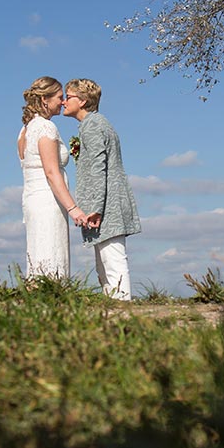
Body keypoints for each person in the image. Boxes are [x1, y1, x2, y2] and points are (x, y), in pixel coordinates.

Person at [64, 78, 140, 300]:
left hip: (107, 205)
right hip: (105, 202)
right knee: (104, 265)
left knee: (112, 260)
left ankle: (123, 309)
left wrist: (96, 208)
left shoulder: (94, 126)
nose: (64, 102)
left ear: (84, 101)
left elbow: (99, 167)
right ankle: (112, 311)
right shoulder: (93, 124)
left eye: (69, 97)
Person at [19, 76, 88, 281]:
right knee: (51, 252)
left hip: (32, 199)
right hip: (48, 200)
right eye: (59, 97)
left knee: (39, 252)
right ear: (44, 100)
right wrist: (73, 208)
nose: (63, 101)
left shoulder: (25, 130)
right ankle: (52, 299)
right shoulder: (45, 127)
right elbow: (51, 172)